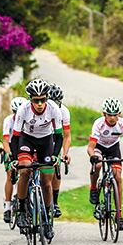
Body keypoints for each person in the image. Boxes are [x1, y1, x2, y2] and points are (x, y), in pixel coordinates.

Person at [10, 79, 64, 239]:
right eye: (36, 100)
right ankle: (20, 209)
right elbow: (15, 137)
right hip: (26, 140)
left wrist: (55, 155)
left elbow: (59, 136)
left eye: (43, 100)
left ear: (47, 98)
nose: (40, 104)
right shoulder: (23, 110)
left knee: (46, 181)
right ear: (30, 99)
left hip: (46, 141)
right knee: (25, 169)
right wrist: (14, 159)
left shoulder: (54, 109)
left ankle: (47, 219)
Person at [87, 97, 123, 231]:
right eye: (109, 114)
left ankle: (119, 215)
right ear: (104, 114)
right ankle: (93, 188)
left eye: (115, 114)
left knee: (118, 176)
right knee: (97, 165)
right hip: (99, 147)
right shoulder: (99, 124)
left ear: (119, 114)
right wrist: (93, 157)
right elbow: (90, 147)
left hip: (113, 148)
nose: (112, 118)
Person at [46, 83, 71, 218]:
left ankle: (54, 203)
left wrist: (65, 154)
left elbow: (66, 136)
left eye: (58, 103)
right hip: (40, 136)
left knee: (56, 167)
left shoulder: (64, 111)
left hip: (55, 138)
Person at [0, 96, 26, 223]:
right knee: (11, 175)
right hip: (10, 145)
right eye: (16, 112)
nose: (18, 115)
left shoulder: (28, 119)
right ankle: (8, 205)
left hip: (24, 145)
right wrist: (10, 154)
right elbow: (5, 140)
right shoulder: (8, 120)